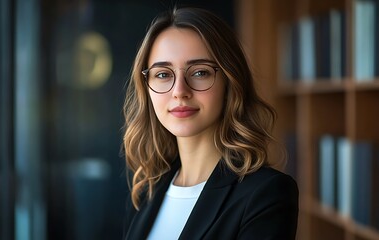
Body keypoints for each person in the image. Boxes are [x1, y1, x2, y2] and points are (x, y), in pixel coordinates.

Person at [122, 6, 298, 240]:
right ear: (147, 87)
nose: (179, 91)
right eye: (163, 74)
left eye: (200, 72)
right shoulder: (145, 192)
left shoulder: (266, 194)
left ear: (229, 82)